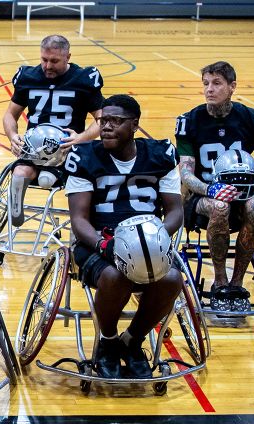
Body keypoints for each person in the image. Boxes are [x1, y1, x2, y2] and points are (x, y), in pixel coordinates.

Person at [65, 94, 185, 380]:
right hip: (97, 243)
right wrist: (104, 245)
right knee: (116, 277)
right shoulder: (83, 156)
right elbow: (79, 220)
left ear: (134, 125)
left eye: (115, 121)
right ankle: (107, 342)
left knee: (171, 279)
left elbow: (175, 212)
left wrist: (154, 240)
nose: (106, 126)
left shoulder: (160, 154)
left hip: (147, 242)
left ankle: (132, 340)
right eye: (103, 120)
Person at [175, 60, 254, 312]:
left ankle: (237, 283)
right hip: (202, 196)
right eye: (206, 84)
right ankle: (220, 282)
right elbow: (186, 175)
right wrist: (211, 189)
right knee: (220, 206)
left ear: (232, 87)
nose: (209, 89)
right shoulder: (190, 120)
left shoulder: (251, 118)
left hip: (243, 194)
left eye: (217, 83)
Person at [1, 34, 104, 227]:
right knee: (20, 173)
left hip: (68, 151)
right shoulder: (28, 77)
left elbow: (102, 119)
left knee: (47, 179)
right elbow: (9, 115)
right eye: (44, 60)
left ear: (68, 57)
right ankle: (15, 214)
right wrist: (13, 136)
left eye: (54, 61)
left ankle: (81, 226)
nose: (48, 66)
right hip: (33, 149)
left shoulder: (83, 79)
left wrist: (81, 138)